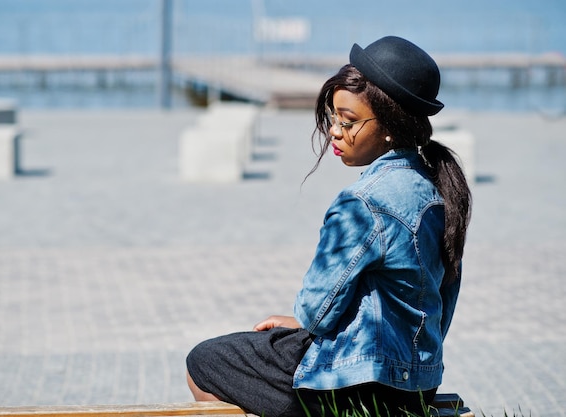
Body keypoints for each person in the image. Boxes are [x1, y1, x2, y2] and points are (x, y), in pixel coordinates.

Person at [186, 36, 472, 417]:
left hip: (354, 386)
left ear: (390, 125)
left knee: (204, 362)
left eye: (349, 120)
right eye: (334, 116)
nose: (335, 131)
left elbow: (316, 311)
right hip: (418, 381)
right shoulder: (439, 191)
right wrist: (300, 326)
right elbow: (442, 304)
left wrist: (303, 322)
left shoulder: (364, 202)